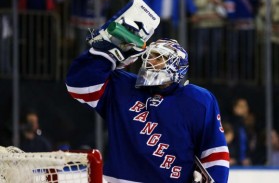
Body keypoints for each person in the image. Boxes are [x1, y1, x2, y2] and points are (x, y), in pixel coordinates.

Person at [65, 18, 229, 182]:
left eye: (158, 57)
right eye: (150, 56)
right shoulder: (122, 86)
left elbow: (215, 152)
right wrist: (104, 52)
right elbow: (77, 86)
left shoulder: (198, 100)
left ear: (177, 66)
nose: (150, 61)